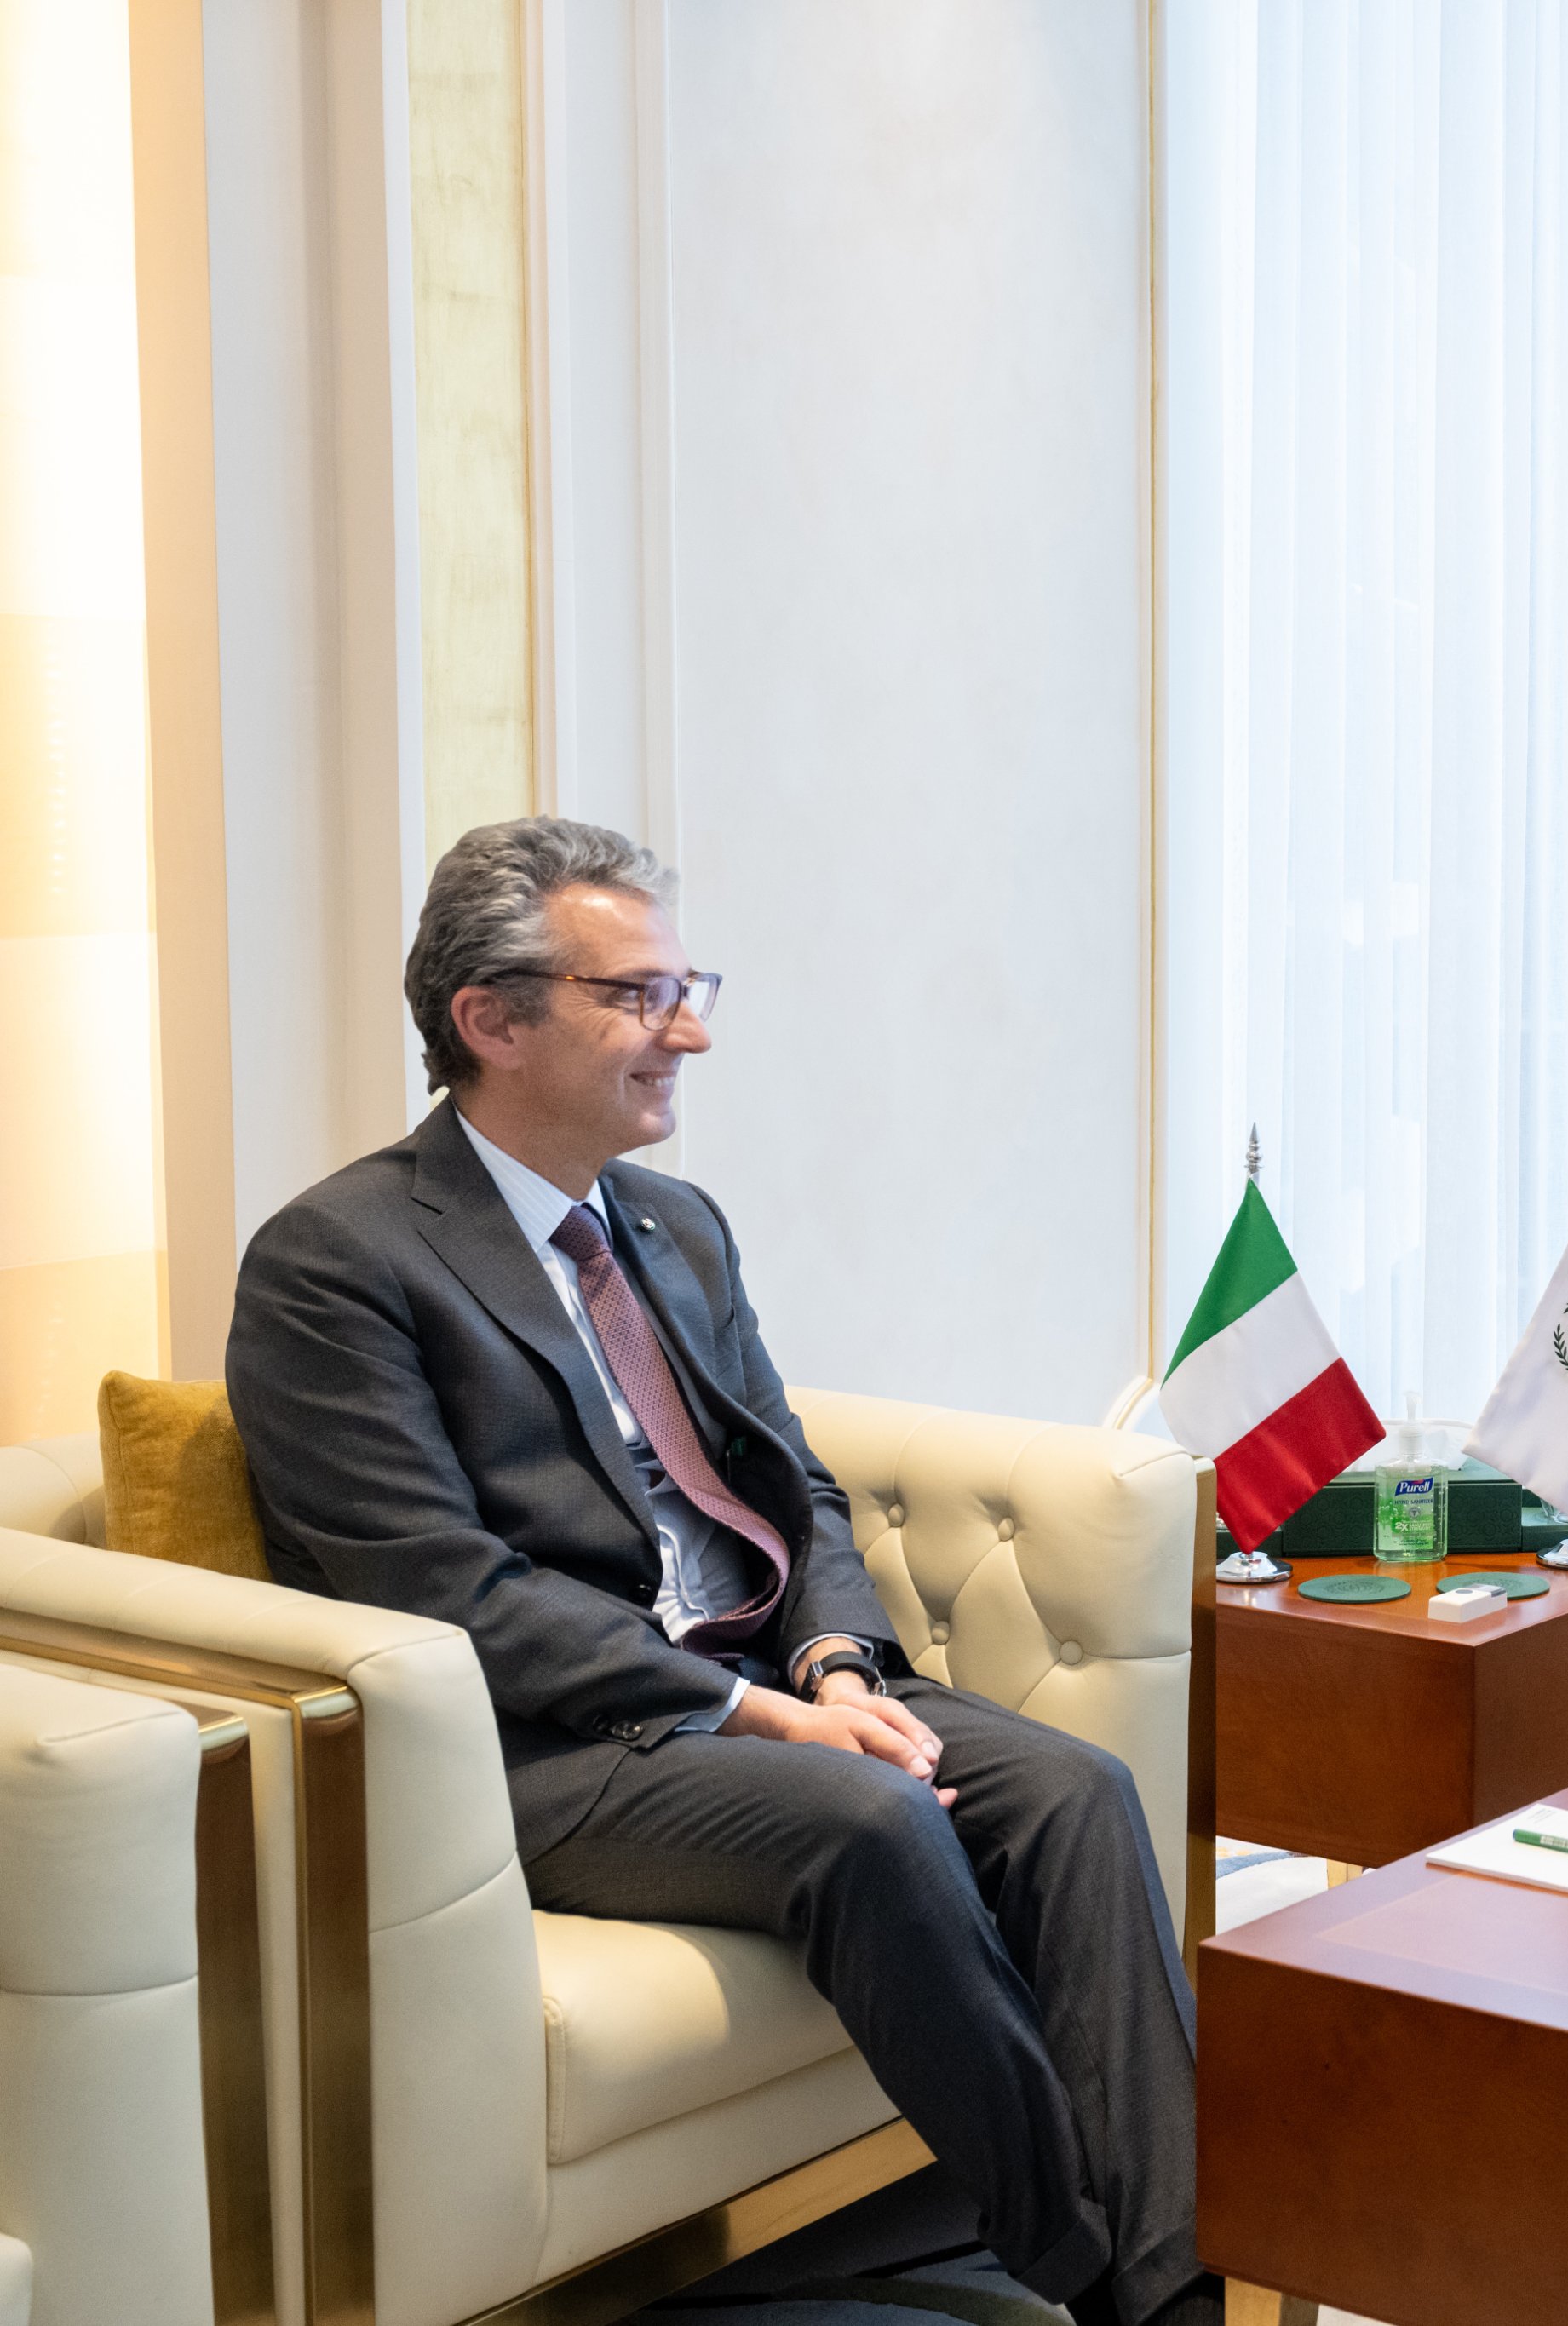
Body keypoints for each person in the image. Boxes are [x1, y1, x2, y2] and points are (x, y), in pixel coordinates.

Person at [225, 818, 1210, 2326]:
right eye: (638, 996)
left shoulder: (674, 1226)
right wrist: (763, 1719)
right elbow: (446, 1596)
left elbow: (789, 1483)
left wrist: (833, 1665)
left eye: (688, 987)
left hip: (757, 1677)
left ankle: (1174, 2287)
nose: (689, 1031)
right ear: (491, 1021)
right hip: (546, 1744)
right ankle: (1091, 2265)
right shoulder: (337, 1263)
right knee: (874, 1819)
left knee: (1075, 1793)